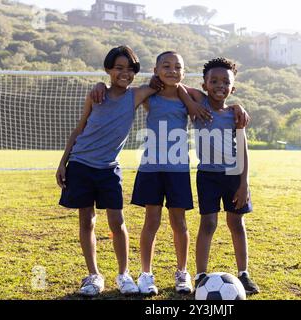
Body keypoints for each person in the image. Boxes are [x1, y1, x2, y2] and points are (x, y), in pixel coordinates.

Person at [91, 51, 249, 296]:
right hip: (152, 168)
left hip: (178, 169)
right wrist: (101, 84)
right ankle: (146, 274)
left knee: (179, 222)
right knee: (151, 221)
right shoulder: (149, 95)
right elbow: (121, 92)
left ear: (184, 73)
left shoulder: (188, 100)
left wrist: (234, 105)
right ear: (155, 70)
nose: (172, 70)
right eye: (166, 66)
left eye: (177, 67)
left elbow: (204, 95)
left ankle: (182, 272)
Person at [56, 45, 161, 297]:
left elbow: (161, 83)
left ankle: (123, 274)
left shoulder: (135, 95)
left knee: (117, 221)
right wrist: (63, 162)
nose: (124, 73)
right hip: (80, 164)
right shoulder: (96, 95)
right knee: (87, 220)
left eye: (129, 69)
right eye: (118, 68)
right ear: (108, 70)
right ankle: (93, 276)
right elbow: (79, 129)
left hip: (109, 169)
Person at [192, 57, 260, 294]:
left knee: (236, 223)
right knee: (208, 223)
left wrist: (244, 184)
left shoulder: (235, 115)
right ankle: (200, 275)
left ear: (233, 88)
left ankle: (244, 274)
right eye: (214, 81)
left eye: (225, 82)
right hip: (207, 175)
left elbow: (242, 148)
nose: (219, 85)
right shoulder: (199, 107)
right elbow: (178, 86)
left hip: (233, 174)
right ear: (204, 85)